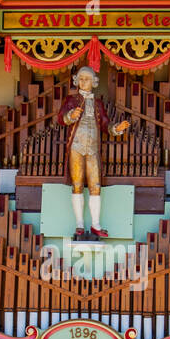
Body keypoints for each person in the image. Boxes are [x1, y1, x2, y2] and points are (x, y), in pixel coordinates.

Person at [59, 66, 128, 238]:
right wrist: (71, 116)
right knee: (77, 185)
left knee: (95, 186)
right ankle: (80, 224)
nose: (83, 82)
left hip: (93, 149)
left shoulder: (98, 103)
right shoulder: (71, 99)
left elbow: (105, 124)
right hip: (76, 146)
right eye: (80, 79)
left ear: (94, 82)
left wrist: (116, 128)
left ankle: (96, 225)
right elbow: (61, 118)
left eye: (87, 79)